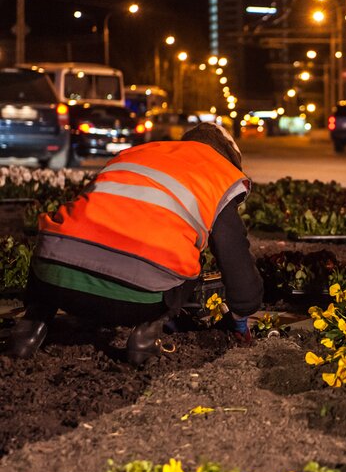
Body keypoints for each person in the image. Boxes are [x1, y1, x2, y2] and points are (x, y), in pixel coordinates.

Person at [6, 123, 263, 366]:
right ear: (228, 160)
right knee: (185, 259)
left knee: (62, 236)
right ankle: (145, 337)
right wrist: (241, 315)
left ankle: (31, 326)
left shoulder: (137, 154)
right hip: (137, 303)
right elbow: (236, 259)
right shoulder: (215, 173)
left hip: (55, 280)